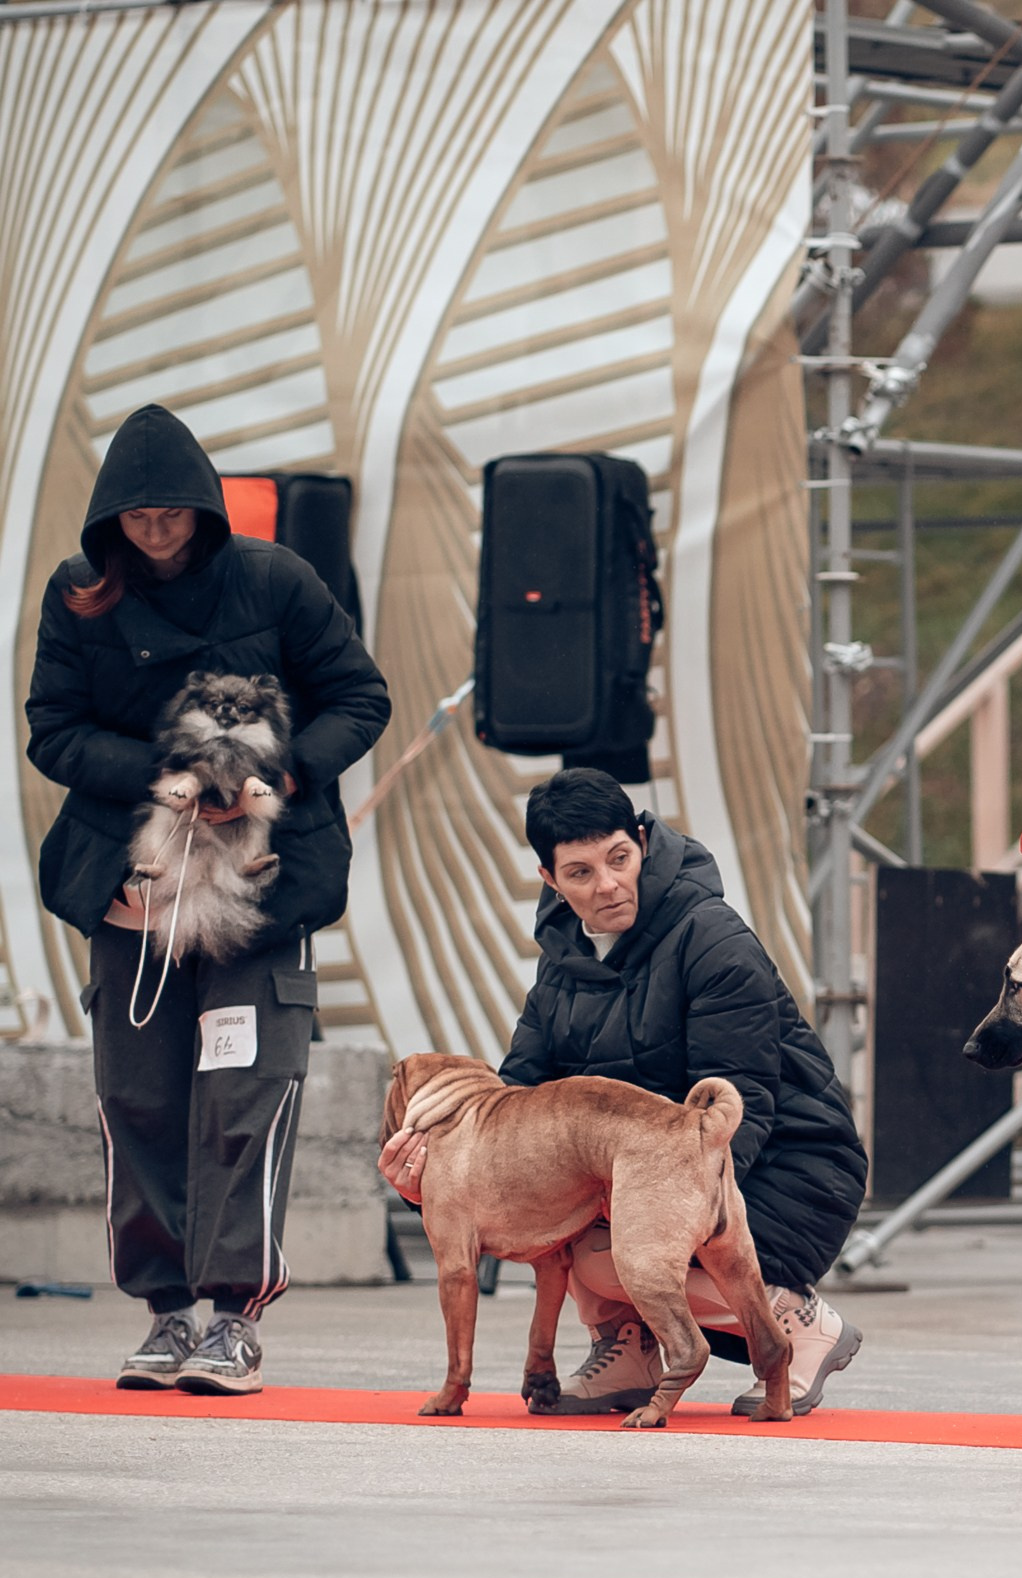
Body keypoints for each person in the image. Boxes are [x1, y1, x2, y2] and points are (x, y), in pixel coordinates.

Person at [27, 403, 391, 1395]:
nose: (155, 531)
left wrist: (277, 776)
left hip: (260, 886)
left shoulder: (274, 577)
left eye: (171, 513)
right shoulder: (80, 594)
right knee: (135, 1095)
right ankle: (163, 1311)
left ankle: (233, 1315)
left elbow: (361, 695)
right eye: (136, 516)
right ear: (110, 517)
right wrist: (172, 769)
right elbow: (50, 731)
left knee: (246, 1090)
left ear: (202, 508)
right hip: (134, 891)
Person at [380, 769, 870, 1415]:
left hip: (789, 1164)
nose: (608, 885)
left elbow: (747, 1091)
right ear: (549, 878)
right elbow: (518, 1097)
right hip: (641, 1166)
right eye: (580, 873)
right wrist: (438, 1167)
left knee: (611, 1257)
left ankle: (798, 1321)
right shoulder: (561, 960)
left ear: (642, 840)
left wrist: (674, 1197)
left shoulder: (712, 937)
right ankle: (630, 1344)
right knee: (558, 1214)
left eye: (619, 858)